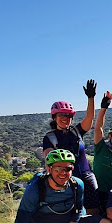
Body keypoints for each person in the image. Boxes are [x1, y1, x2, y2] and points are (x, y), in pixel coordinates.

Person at [43, 79, 99, 214]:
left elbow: (90, 117)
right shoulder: (50, 137)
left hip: (86, 175)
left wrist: (91, 98)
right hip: (66, 176)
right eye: (61, 115)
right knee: (72, 210)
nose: (65, 118)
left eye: (68, 116)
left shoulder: (76, 132)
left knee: (94, 209)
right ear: (54, 117)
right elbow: (49, 160)